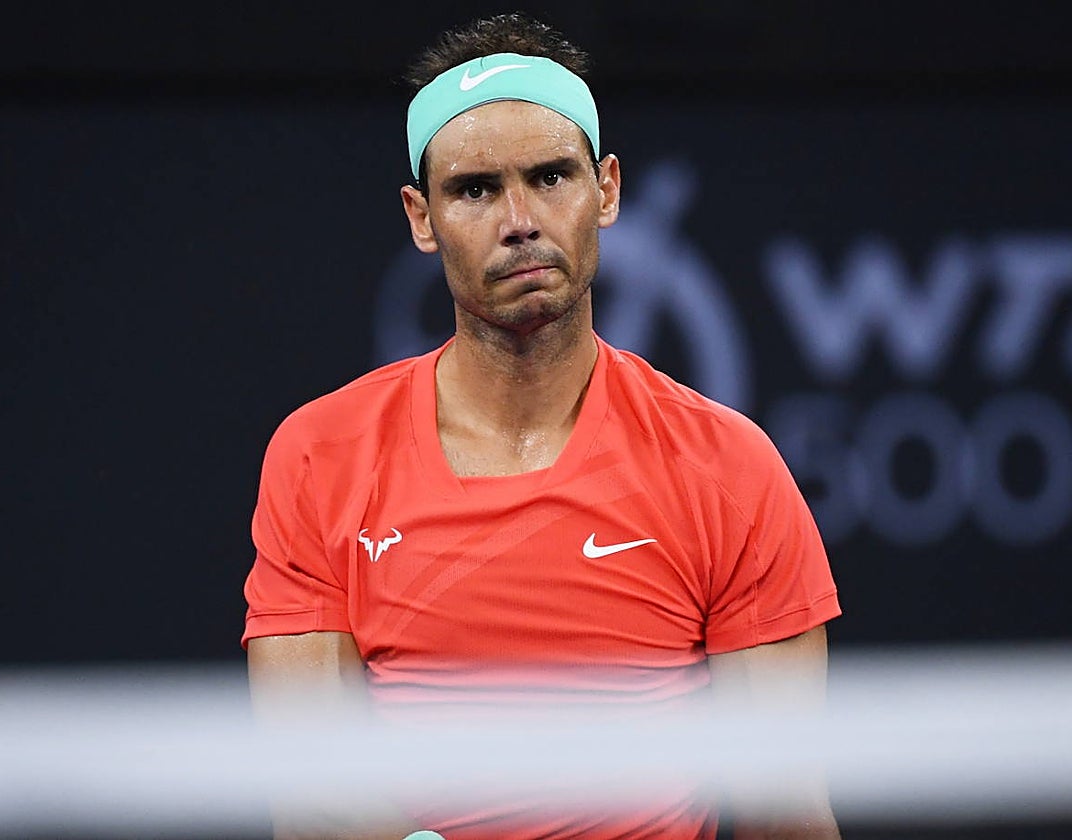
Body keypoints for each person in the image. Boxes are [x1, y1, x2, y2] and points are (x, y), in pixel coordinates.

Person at [242, 12, 842, 840]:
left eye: (552, 176)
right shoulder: (320, 456)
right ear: (422, 217)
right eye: (475, 189)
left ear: (608, 190)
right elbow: (316, 798)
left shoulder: (726, 467)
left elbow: (784, 808)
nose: (519, 220)